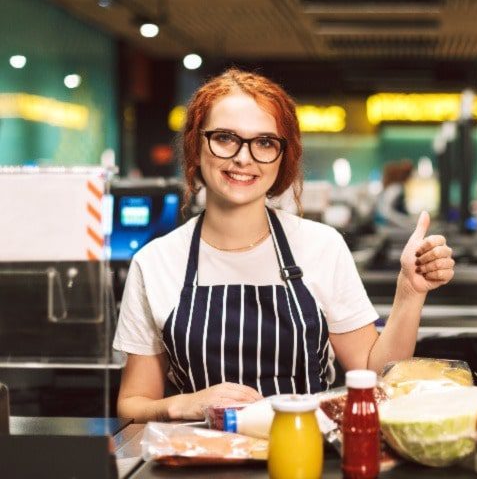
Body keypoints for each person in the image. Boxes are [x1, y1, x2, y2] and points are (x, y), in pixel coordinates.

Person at [113, 69, 455, 422]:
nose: (244, 158)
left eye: (264, 143)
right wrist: (182, 404)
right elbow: (133, 403)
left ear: (282, 158)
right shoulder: (154, 263)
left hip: (308, 458)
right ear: (196, 146)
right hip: (200, 462)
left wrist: (409, 292)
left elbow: (378, 379)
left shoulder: (321, 246)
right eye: (226, 138)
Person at [374, 159, 415, 229]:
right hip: (389, 228)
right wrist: (408, 224)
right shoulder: (396, 189)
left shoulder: (392, 188)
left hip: (389, 226)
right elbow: (386, 212)